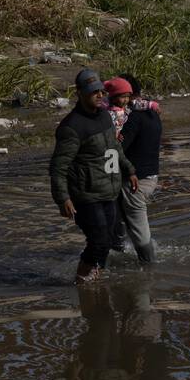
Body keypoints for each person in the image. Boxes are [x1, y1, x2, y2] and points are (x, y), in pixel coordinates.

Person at [50, 69, 139, 283]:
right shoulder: (71, 127)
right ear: (79, 93)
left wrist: (130, 170)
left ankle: (95, 277)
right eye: (93, 92)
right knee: (98, 240)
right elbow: (58, 167)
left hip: (109, 190)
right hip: (86, 195)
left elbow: (114, 148)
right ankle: (82, 281)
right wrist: (63, 199)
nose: (99, 96)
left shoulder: (105, 118)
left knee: (106, 240)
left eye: (101, 91)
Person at [105, 74, 162, 264]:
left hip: (134, 181)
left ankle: (149, 267)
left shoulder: (133, 118)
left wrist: (106, 171)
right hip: (151, 176)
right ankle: (116, 254)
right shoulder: (151, 113)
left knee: (138, 228)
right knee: (118, 217)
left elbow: (117, 150)